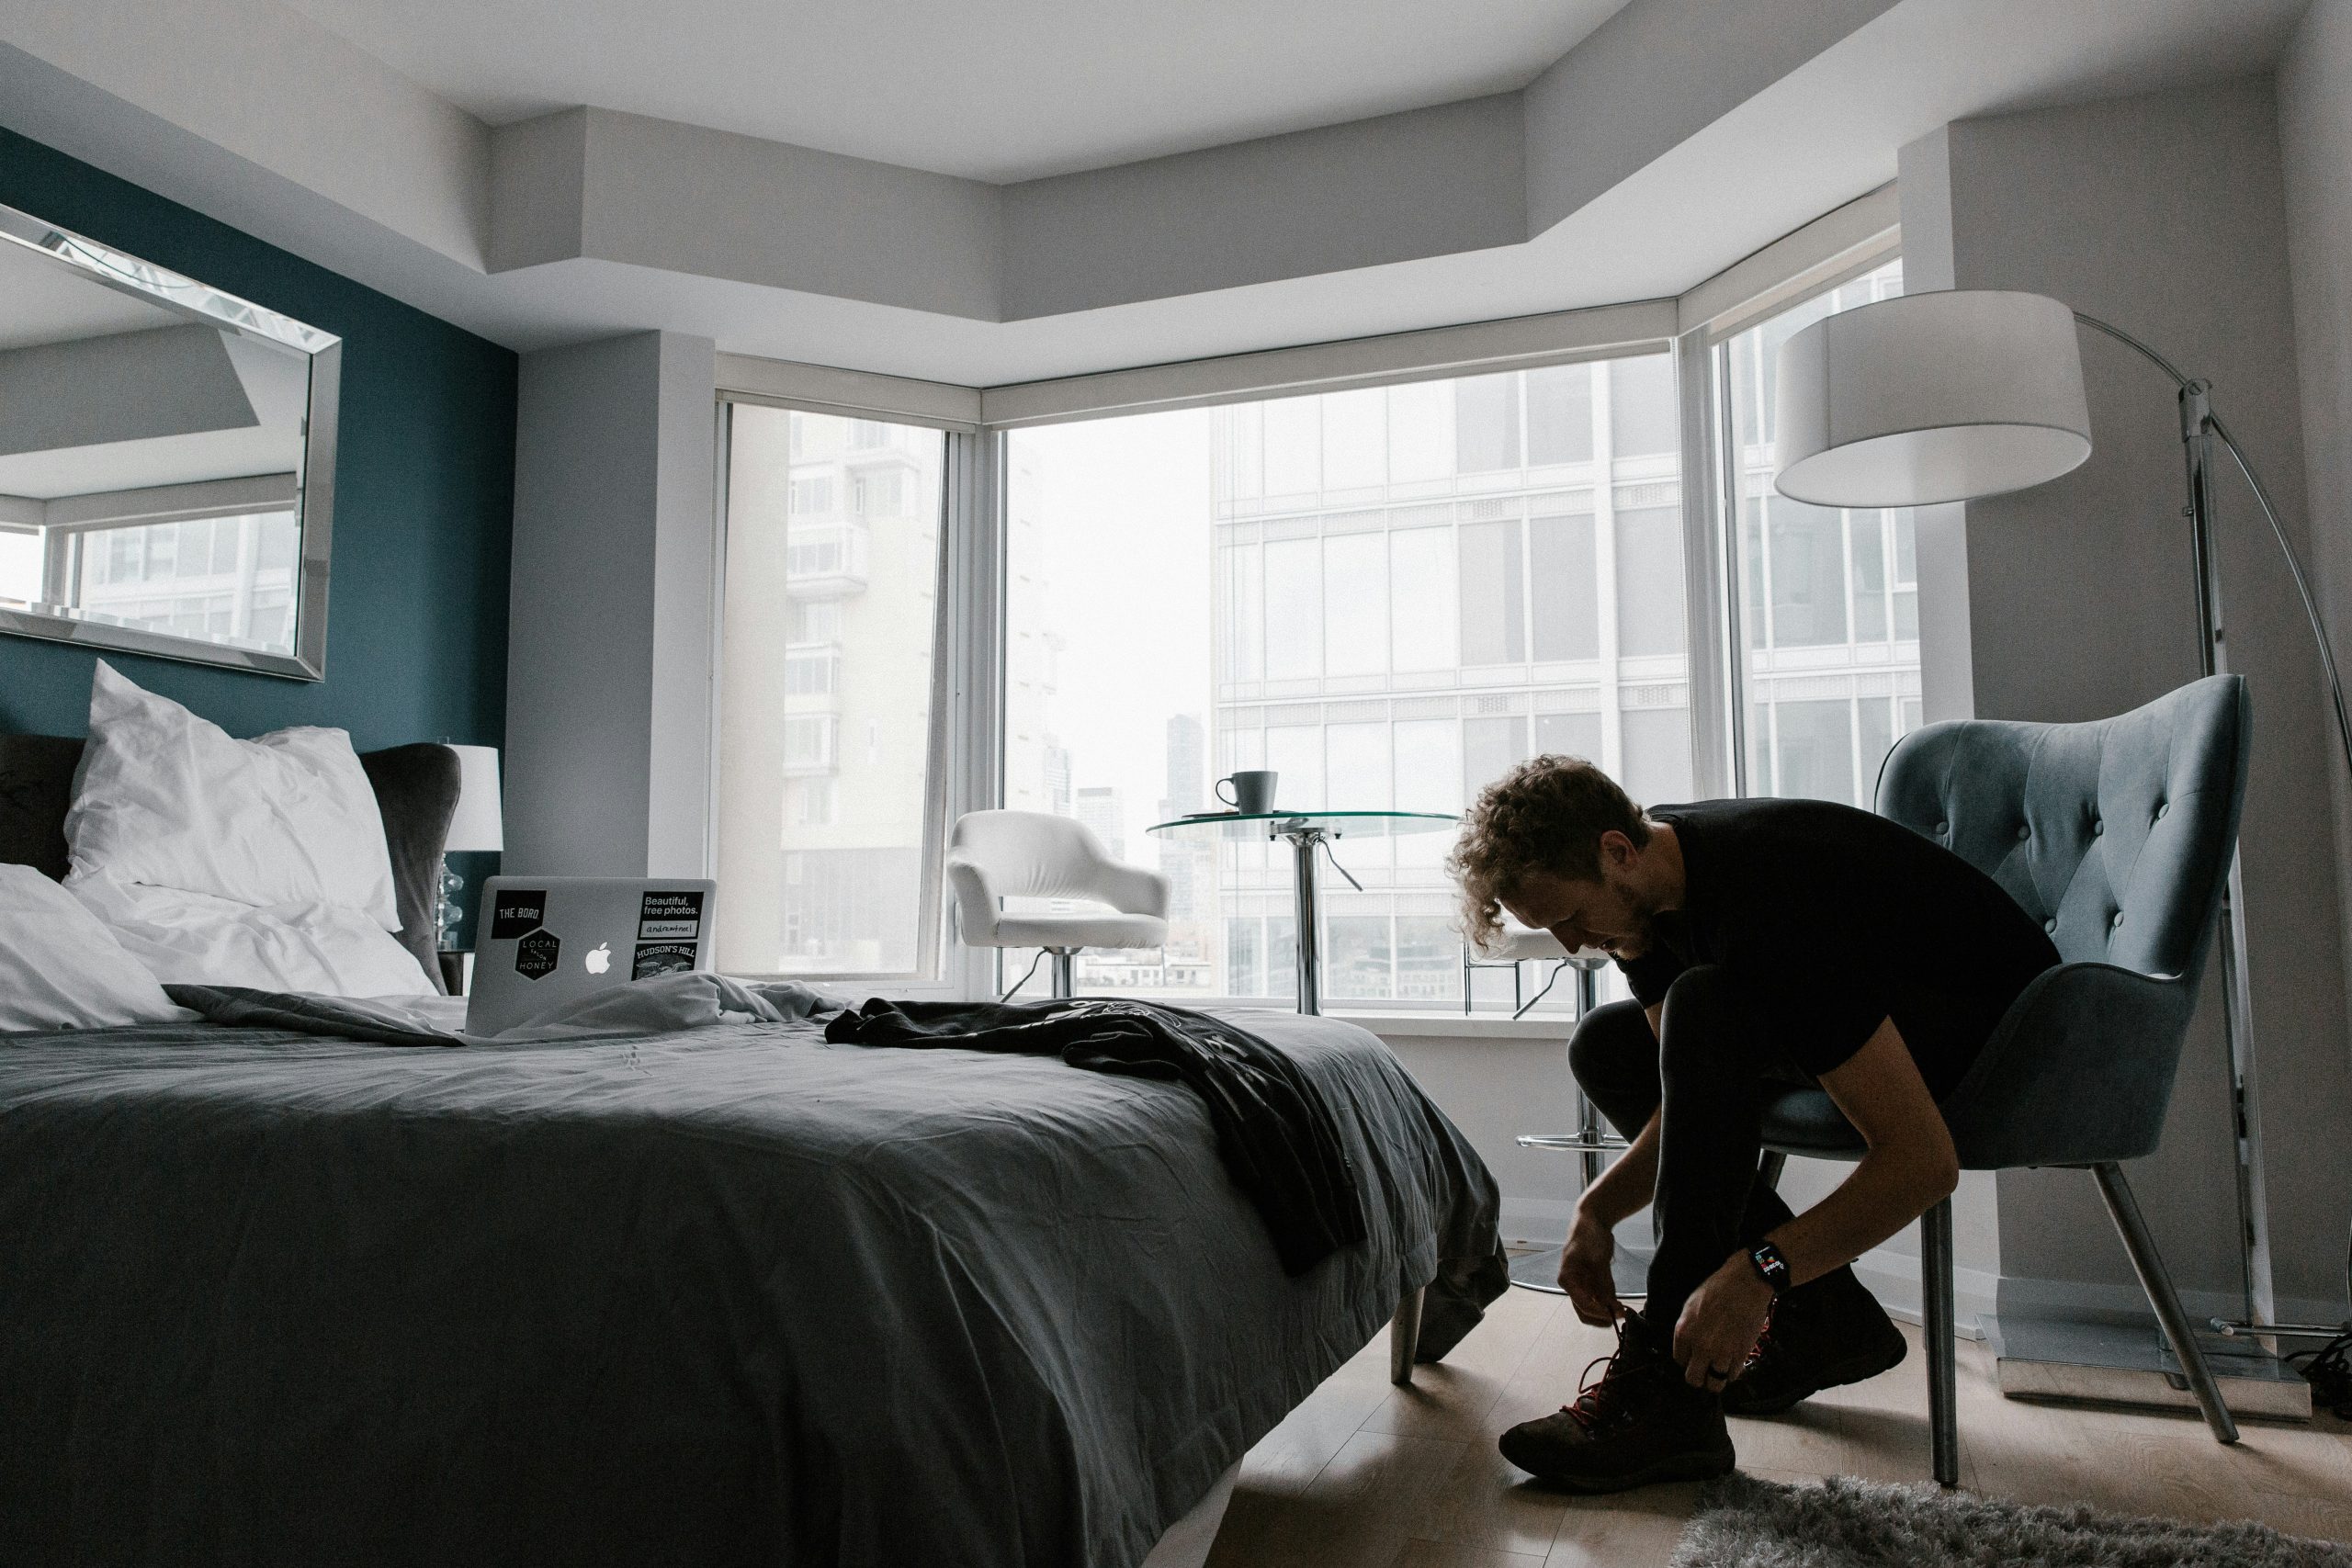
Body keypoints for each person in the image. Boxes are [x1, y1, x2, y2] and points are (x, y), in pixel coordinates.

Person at [1449, 755, 2059, 1494]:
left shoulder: (1769, 900)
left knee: (1707, 1004)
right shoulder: (1644, 909)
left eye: (1573, 917)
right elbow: (1686, 1094)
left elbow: (1923, 1161)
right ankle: (1827, 1315)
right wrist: (1597, 1209)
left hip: (2009, 1032)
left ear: (1617, 851)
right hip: (1865, 1003)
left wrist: (1761, 1271)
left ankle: (1674, 1402)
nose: (1574, 944)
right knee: (1609, 1047)